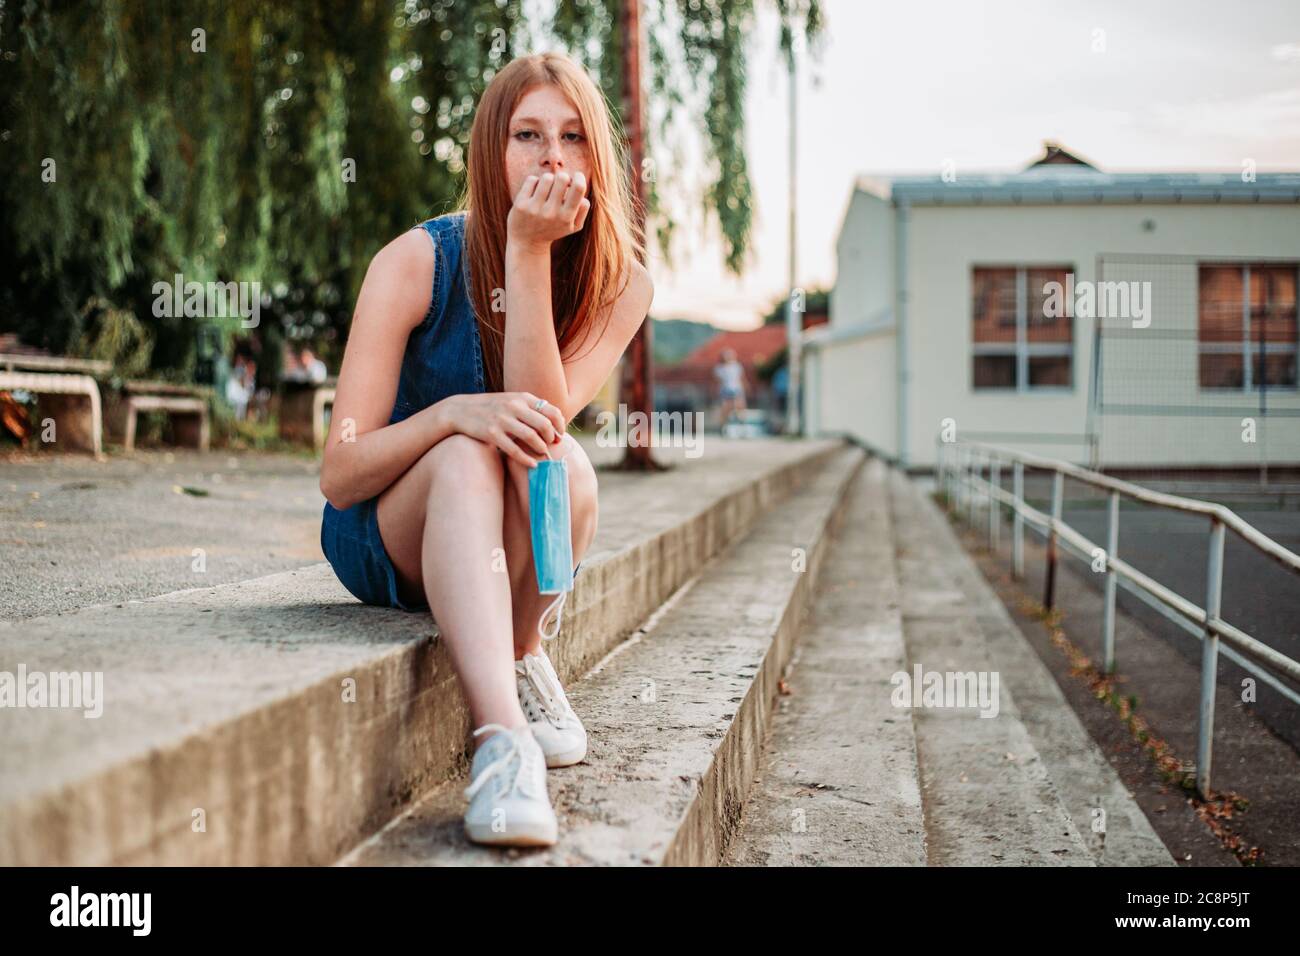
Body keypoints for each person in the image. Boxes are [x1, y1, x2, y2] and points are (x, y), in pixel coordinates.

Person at [318, 52, 653, 848]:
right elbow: (341, 473)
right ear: (489, 152)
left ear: (596, 155)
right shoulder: (414, 262)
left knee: (566, 464)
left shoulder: (622, 283)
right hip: (387, 533)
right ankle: (503, 743)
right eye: (527, 135)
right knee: (469, 450)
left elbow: (542, 432)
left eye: (573, 137)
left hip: (505, 524)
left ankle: (523, 644)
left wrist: (529, 252)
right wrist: (451, 416)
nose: (552, 158)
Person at [714, 347, 747, 426]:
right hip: (726, 390)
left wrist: (745, 387)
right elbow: (718, 381)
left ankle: (742, 424)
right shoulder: (719, 368)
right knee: (726, 408)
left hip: (737, 389)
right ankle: (723, 425)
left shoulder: (737, 366)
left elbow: (742, 378)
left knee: (740, 406)